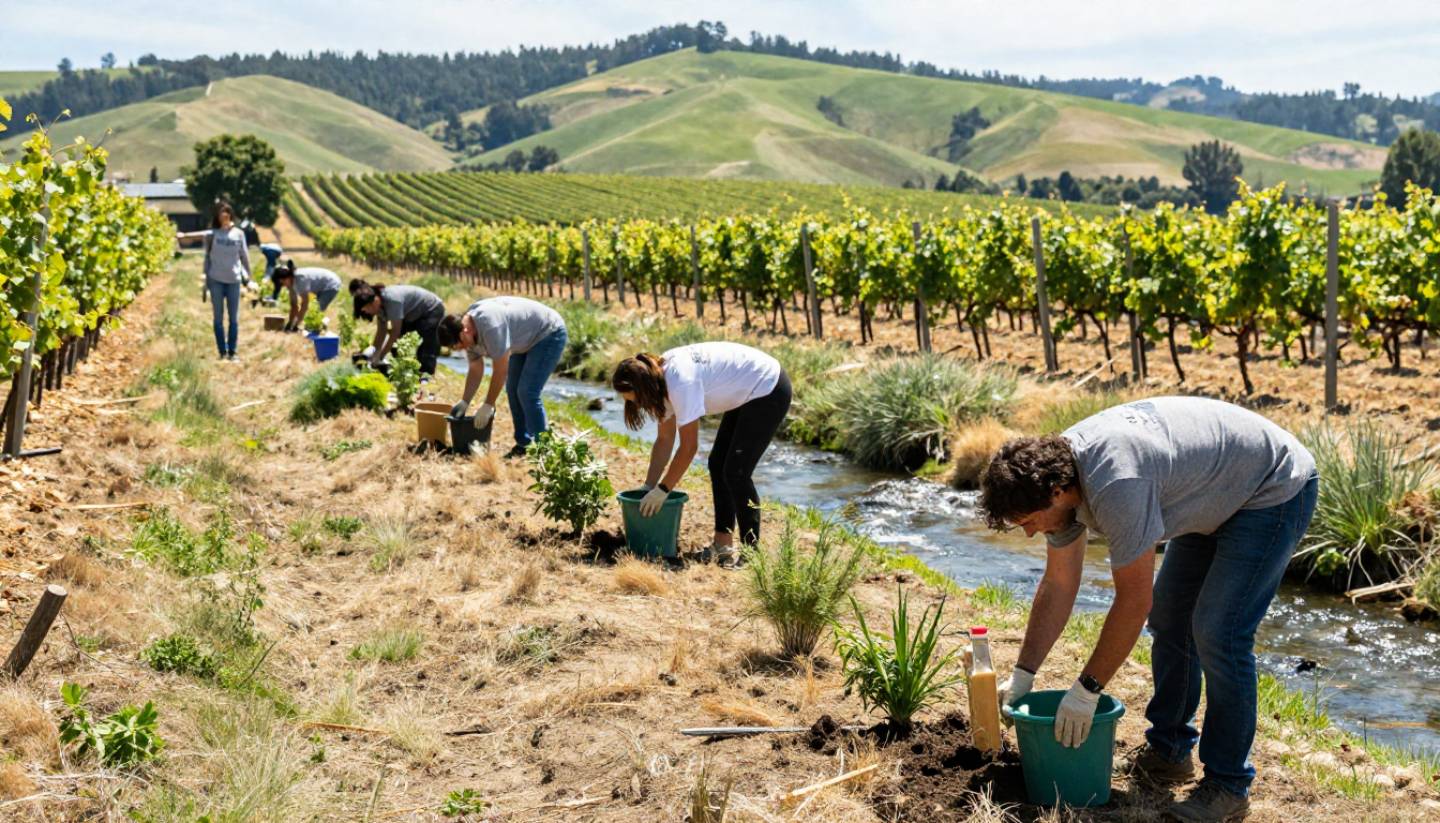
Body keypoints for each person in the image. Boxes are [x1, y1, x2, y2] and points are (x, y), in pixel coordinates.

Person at [978, 397, 1317, 823]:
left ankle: (1228, 786)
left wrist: (1086, 690)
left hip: (1270, 487)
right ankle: (1170, 751)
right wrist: (1024, 674)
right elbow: (1060, 583)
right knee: (1172, 620)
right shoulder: (1059, 481)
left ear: (1058, 493)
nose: (1027, 532)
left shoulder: (1118, 486)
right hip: (1207, 490)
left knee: (1218, 633)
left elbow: (1134, 602)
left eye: (1027, 520)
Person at [611, 342, 791, 566]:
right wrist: (649, 486)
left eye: (636, 400)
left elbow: (688, 448)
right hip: (745, 389)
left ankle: (751, 556)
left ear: (645, 389)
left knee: (736, 472)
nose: (637, 406)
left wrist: (664, 489)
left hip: (767, 386)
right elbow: (665, 440)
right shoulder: (658, 380)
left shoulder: (680, 383)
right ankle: (722, 546)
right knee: (718, 464)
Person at [438, 296, 568, 458]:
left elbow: (500, 370)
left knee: (527, 392)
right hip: (524, 339)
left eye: (461, 345)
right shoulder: (468, 332)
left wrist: (488, 405)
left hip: (548, 332)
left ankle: (545, 451)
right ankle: (524, 444)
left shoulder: (491, 326)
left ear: (465, 331)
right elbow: (475, 368)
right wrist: (465, 401)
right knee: (513, 389)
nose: (462, 348)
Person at [177, 201, 249, 361]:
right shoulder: (213, 234)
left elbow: (244, 255)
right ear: (218, 217)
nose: (225, 216)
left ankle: (233, 351)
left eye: (227, 213)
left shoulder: (239, 234)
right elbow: (198, 235)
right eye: (222, 213)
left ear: (231, 215)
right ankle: (222, 351)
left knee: (234, 319)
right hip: (215, 279)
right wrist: (183, 236)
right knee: (218, 318)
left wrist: (248, 276)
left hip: (234, 280)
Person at [350, 279, 444, 376]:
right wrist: (373, 353)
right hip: (413, 313)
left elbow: (396, 331)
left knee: (426, 346)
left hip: (431, 309)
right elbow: (381, 332)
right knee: (396, 346)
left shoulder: (392, 300)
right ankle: (399, 371)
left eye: (367, 309)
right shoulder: (380, 307)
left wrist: (380, 356)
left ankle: (426, 377)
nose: (367, 312)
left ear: (374, 301)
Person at [272, 262, 342, 332]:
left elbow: (304, 304)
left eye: (283, 282)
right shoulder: (290, 283)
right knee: (314, 313)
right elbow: (294, 305)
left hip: (330, 284)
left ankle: (321, 330)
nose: (283, 285)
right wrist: (290, 323)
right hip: (321, 286)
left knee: (317, 311)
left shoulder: (300, 279)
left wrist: (296, 324)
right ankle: (319, 327)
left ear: (289, 277)